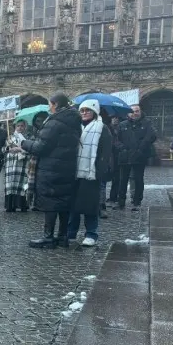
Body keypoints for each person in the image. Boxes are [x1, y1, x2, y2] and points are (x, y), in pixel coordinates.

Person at [22, 93, 81, 249]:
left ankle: (48, 237)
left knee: (51, 202)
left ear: (56, 105)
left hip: (51, 168)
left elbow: (40, 147)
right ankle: (62, 237)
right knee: (64, 202)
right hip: (67, 168)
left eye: (50, 104)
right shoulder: (74, 121)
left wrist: (24, 143)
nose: (49, 107)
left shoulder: (54, 123)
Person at [68, 100, 113, 247]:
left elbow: (105, 152)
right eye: (82, 110)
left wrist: (100, 170)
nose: (84, 113)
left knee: (90, 206)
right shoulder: (75, 127)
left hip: (91, 172)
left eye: (88, 110)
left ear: (95, 112)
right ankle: (71, 233)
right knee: (73, 206)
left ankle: (91, 233)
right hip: (74, 171)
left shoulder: (102, 128)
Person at [113, 104, 157, 211]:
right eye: (132, 111)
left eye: (137, 111)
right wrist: (122, 148)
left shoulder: (147, 123)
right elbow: (116, 139)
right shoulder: (122, 124)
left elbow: (150, 137)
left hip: (139, 155)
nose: (134, 113)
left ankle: (137, 202)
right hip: (125, 156)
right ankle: (121, 202)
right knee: (122, 180)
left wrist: (140, 149)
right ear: (128, 113)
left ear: (140, 112)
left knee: (138, 179)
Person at [3, 119, 30, 212]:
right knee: (11, 184)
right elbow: (3, 149)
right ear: (15, 127)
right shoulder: (9, 137)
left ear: (25, 127)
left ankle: (23, 204)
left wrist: (20, 149)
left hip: (22, 164)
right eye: (18, 126)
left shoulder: (27, 137)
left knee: (23, 184)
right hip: (11, 164)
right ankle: (10, 205)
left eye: (22, 126)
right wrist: (8, 148)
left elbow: (30, 150)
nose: (20, 128)